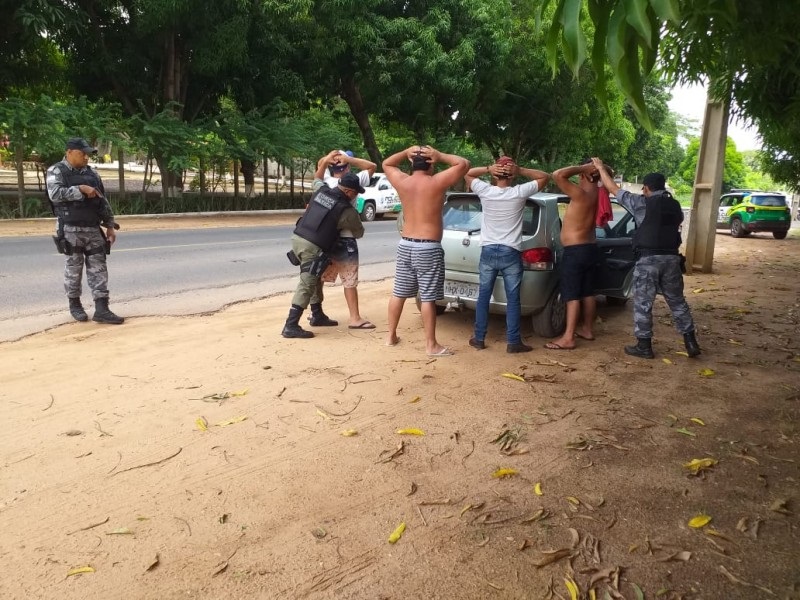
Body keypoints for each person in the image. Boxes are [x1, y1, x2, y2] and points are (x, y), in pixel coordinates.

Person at [592, 159, 701, 359]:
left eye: (644, 188)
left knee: (643, 303)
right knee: (677, 301)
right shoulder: (675, 205)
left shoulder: (642, 203)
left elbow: (613, 188)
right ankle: (690, 341)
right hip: (672, 260)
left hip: (649, 260)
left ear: (647, 188)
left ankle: (644, 346)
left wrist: (600, 168)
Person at [382, 145, 470, 356]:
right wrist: (440, 155)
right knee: (428, 297)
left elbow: (386, 163)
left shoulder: (402, 181)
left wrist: (405, 152)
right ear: (431, 164)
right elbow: (464, 164)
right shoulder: (436, 182)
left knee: (398, 293)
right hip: (428, 247)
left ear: (412, 164)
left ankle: (390, 336)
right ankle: (431, 345)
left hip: (406, 244)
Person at [464, 156, 550, 353]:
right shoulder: (519, 192)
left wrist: (488, 168)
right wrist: (520, 170)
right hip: (510, 252)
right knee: (513, 298)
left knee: (484, 295)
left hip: (488, 250)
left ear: (496, 175)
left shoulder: (485, 190)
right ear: (512, 176)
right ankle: (513, 342)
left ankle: (479, 338)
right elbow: (545, 177)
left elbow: (466, 173)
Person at [46, 137, 124, 325]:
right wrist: (80, 189)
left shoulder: (92, 173)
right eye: (83, 153)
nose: (86, 157)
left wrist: (110, 225)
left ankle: (102, 309)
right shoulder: (56, 171)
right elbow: (55, 194)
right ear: (69, 152)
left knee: (99, 268)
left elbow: (102, 201)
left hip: (93, 228)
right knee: (74, 269)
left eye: (88, 154)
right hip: (70, 228)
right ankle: (75, 305)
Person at [281, 170, 365, 339]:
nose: (356, 196)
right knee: (307, 283)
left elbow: (316, 179)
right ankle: (290, 325)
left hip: (298, 239)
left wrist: (326, 160)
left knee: (314, 279)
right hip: (312, 246)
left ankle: (317, 315)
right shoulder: (346, 210)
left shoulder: (321, 189)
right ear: (348, 191)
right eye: (356, 193)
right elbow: (359, 232)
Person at [545, 159, 602, 350]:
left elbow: (557, 174)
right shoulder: (596, 193)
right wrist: (598, 168)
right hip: (590, 249)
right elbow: (608, 172)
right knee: (588, 292)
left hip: (575, 251)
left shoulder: (580, 194)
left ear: (583, 175)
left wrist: (583, 168)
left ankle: (568, 337)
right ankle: (587, 329)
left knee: (572, 294)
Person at [318, 149, 377, 329]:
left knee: (319, 277)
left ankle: (316, 312)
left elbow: (318, 170)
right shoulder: (354, 181)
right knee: (349, 279)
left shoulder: (326, 182)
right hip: (346, 238)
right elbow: (372, 166)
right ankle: (354, 318)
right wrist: (349, 159)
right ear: (347, 167)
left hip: (326, 238)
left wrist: (328, 158)